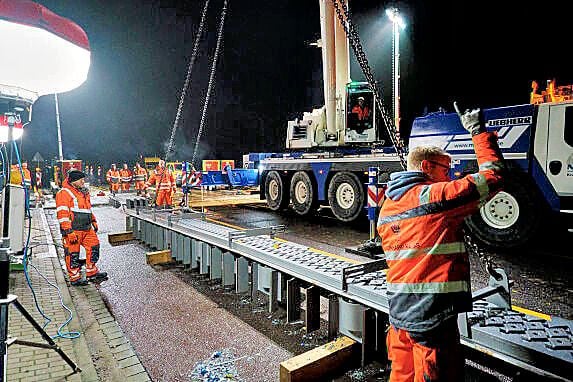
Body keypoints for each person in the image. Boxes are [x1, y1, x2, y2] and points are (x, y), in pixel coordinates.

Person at [376, 104, 505, 382]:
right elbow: (493, 177)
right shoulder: (434, 197)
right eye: (446, 169)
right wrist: (478, 132)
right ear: (426, 167)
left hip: (399, 317)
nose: (450, 175)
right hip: (432, 319)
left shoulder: (387, 207)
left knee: (401, 376)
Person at [55, 170, 107, 286]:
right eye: (81, 179)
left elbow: (87, 209)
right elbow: (62, 214)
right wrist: (68, 231)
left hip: (87, 228)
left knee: (94, 247)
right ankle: (74, 278)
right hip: (73, 230)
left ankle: (91, 272)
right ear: (73, 181)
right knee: (72, 254)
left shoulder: (83, 193)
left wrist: (93, 220)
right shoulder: (64, 193)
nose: (83, 181)